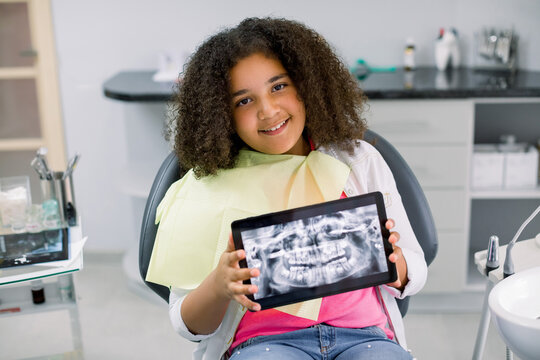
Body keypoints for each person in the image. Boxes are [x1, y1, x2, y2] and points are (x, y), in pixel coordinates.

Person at [147, 17, 427, 360]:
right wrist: (220, 285)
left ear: (306, 84)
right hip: (265, 345)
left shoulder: (359, 161)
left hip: (366, 338)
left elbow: (415, 264)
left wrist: (395, 265)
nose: (268, 111)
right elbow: (185, 323)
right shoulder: (209, 189)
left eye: (278, 87)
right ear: (222, 115)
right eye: (244, 101)